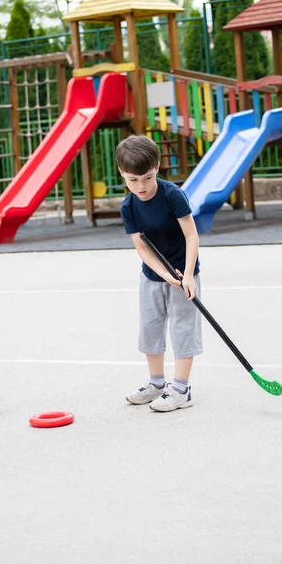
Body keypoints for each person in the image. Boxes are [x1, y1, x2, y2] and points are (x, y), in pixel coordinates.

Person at [117, 135, 202, 412]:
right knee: (151, 327)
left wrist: (187, 275)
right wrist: (163, 275)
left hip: (184, 272)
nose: (140, 186)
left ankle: (180, 389)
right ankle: (156, 384)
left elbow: (191, 235)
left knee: (182, 327)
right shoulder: (128, 207)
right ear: (122, 174)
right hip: (153, 275)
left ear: (157, 167)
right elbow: (141, 247)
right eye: (133, 180)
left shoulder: (172, 195)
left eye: (147, 177)